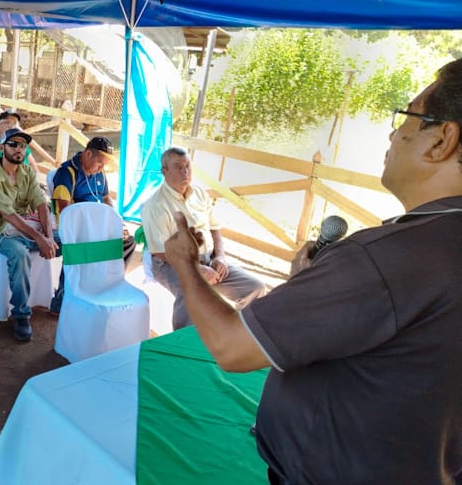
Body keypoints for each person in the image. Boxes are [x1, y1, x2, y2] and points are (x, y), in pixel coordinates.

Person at [163, 59, 462, 484]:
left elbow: (231, 347)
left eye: (406, 116)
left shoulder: (382, 259)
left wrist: (186, 265)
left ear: (443, 140)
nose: (394, 134)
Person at [141, 146, 265, 330]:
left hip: (208, 258)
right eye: (178, 167)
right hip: (171, 262)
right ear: (164, 171)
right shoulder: (155, 205)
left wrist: (220, 257)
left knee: (255, 287)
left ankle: (241, 334)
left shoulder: (199, 194)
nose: (185, 172)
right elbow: (161, 251)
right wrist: (196, 269)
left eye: (187, 166)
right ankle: (185, 345)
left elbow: (215, 229)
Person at [0, 129, 62, 341]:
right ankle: (21, 315)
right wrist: (40, 238)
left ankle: (60, 299)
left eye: (23, 146)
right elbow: (9, 215)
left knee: (69, 243)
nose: (19, 149)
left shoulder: (26, 172)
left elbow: (41, 204)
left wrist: (49, 236)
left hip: (27, 228)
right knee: (20, 254)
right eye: (13, 144)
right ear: (1, 147)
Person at [53, 136, 135, 264]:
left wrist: (117, 222)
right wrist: (92, 226)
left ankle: (107, 278)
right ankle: (84, 277)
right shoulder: (67, 173)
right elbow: (65, 211)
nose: (102, 168)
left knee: (127, 241)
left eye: (104, 165)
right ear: (88, 154)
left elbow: (106, 199)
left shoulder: (100, 173)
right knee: (95, 245)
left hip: (100, 223)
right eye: (100, 163)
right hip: (81, 226)